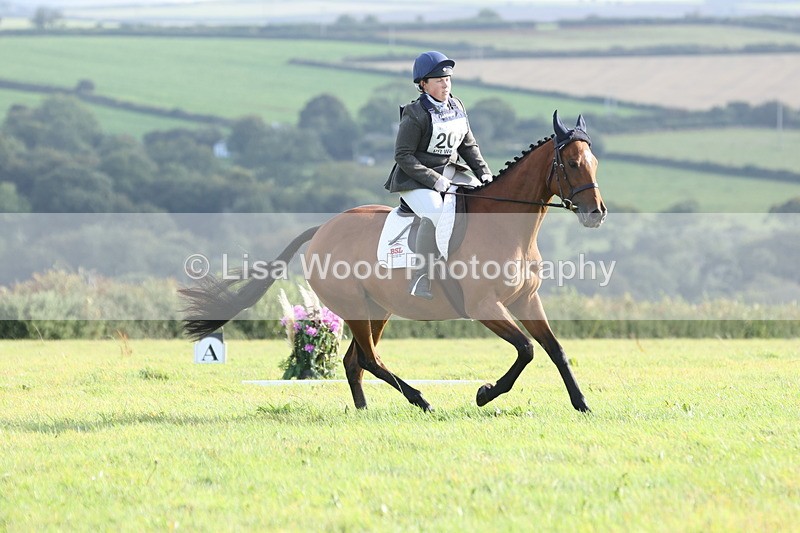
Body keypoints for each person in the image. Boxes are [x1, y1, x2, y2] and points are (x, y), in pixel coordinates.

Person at [384, 50, 494, 299]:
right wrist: (435, 180)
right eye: (439, 80)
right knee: (435, 213)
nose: (446, 84)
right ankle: (421, 277)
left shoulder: (456, 106)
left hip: (451, 173)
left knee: (485, 198)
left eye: (448, 79)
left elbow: (468, 146)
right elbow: (403, 156)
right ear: (423, 85)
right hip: (414, 180)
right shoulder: (415, 113)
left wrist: (485, 173)